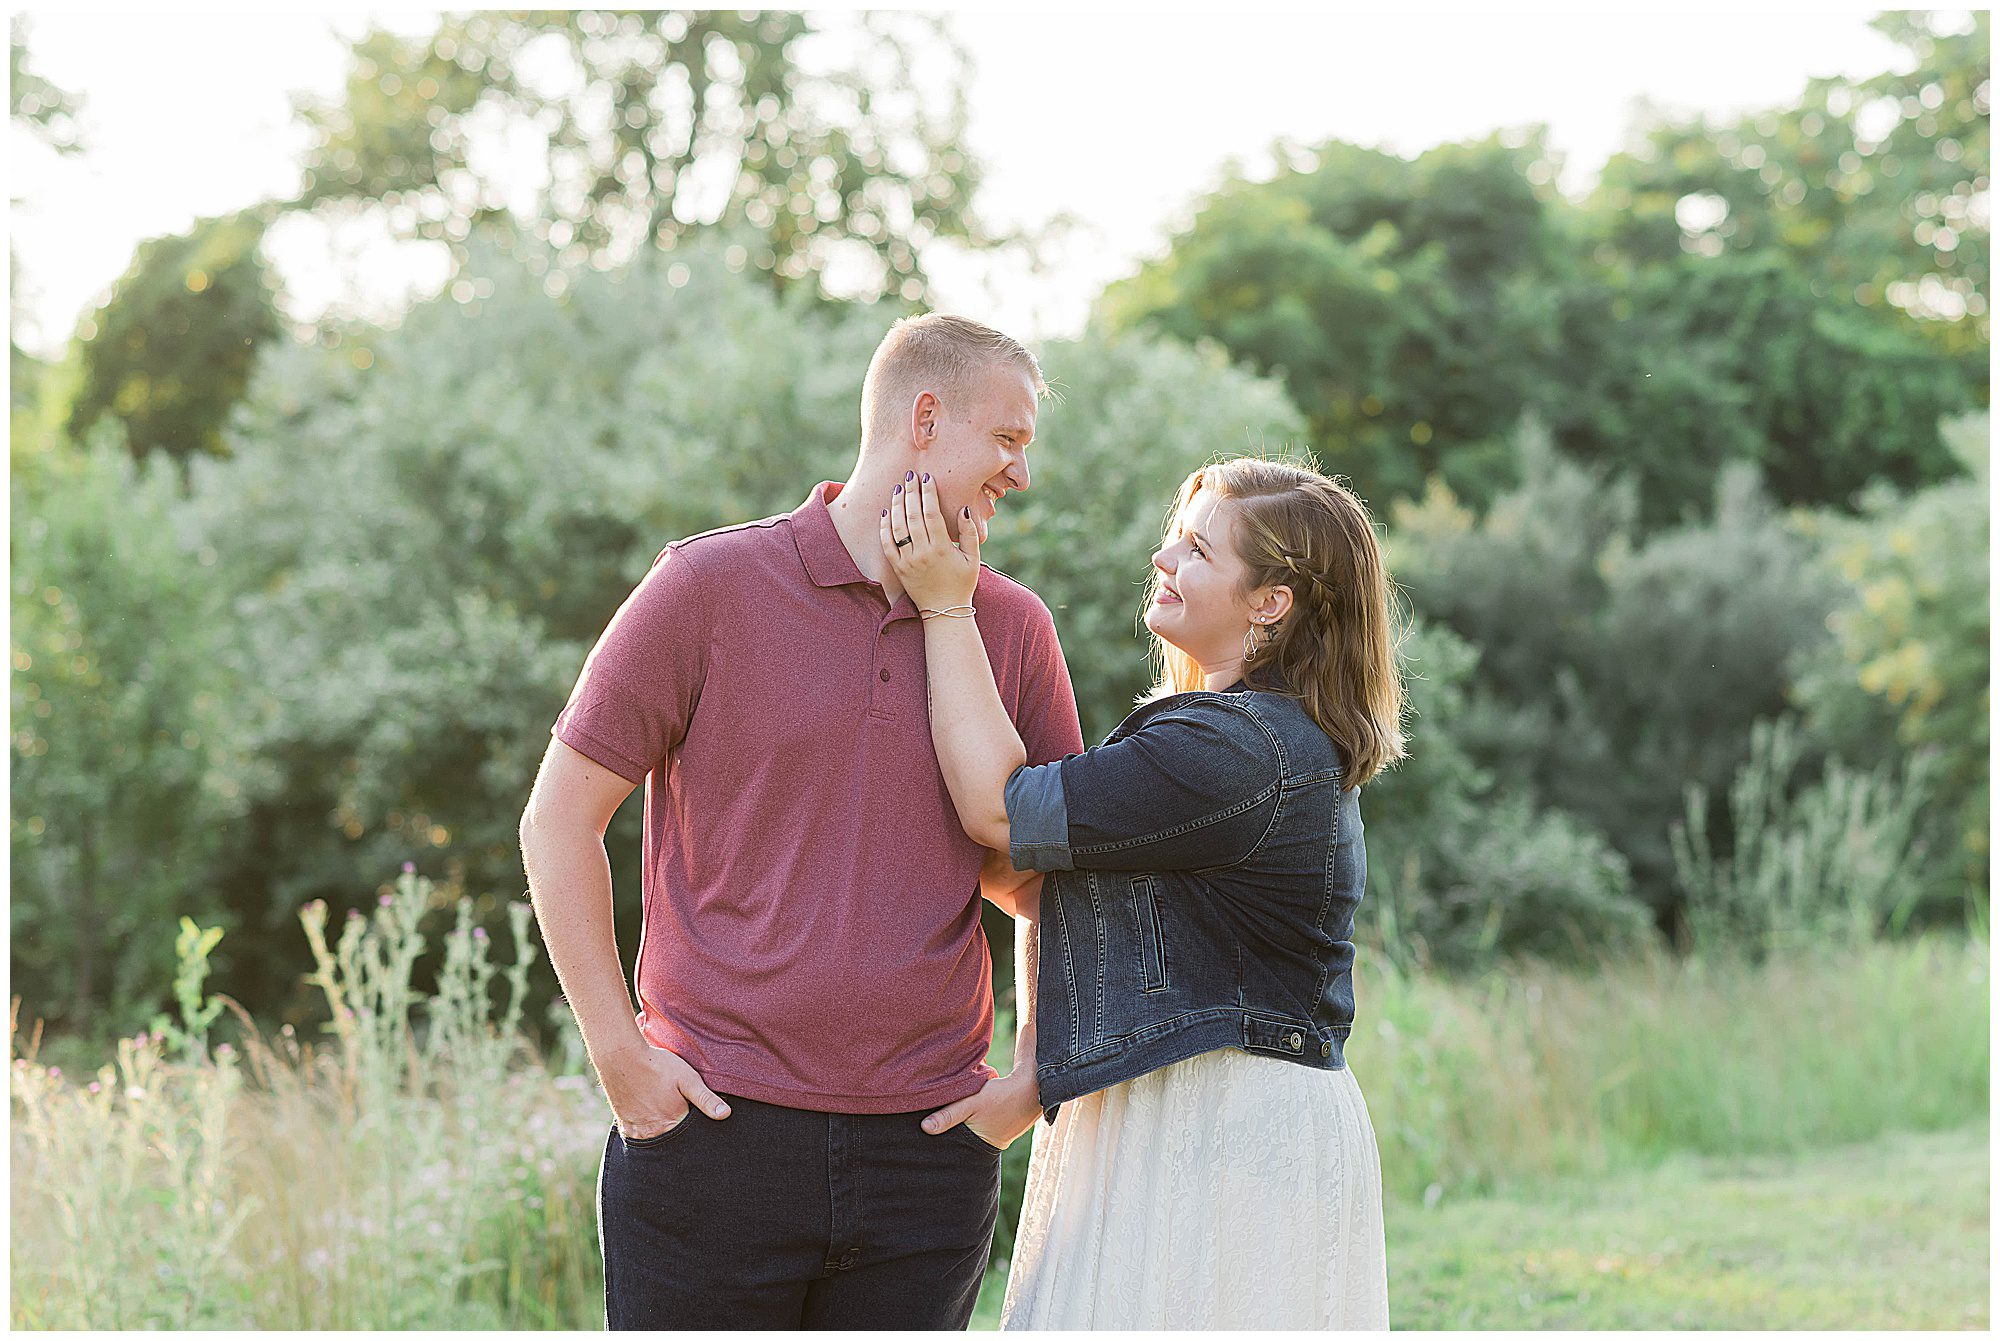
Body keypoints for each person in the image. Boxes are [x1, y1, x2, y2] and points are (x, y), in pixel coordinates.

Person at [519, 314, 1083, 1329]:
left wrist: (1035, 1067)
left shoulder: (1011, 627)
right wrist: (616, 1052)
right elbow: (558, 819)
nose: (1019, 475)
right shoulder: (706, 587)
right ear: (923, 418)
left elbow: (1045, 880)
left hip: (927, 1151)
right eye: (1006, 441)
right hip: (712, 1136)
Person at [881, 455, 1401, 1329]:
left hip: (1224, 1121)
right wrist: (1034, 1073)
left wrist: (943, 602)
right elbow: (1050, 880)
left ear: (1270, 601)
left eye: (1197, 549)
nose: (1163, 560)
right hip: (1187, 1105)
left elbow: (1002, 815)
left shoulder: (1237, 750)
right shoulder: (1252, 737)